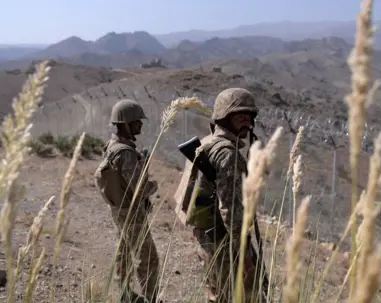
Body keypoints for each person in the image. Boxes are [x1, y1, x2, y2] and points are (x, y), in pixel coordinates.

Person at [173, 88, 269, 302]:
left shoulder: (207, 143)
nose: (246, 122)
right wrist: (245, 254)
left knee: (218, 294)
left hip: (209, 235)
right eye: (239, 116)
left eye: (249, 116)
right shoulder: (226, 153)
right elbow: (231, 209)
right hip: (223, 240)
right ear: (225, 117)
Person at [94, 99, 160, 303]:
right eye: (136, 121)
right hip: (131, 211)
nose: (140, 124)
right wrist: (154, 186)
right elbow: (139, 188)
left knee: (123, 252)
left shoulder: (113, 146)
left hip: (119, 209)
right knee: (148, 258)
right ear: (125, 124)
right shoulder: (125, 152)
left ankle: (125, 295)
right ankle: (150, 298)